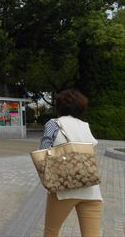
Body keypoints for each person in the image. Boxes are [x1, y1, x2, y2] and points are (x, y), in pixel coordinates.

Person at [40, 90, 102, 237]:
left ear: (59, 107)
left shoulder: (53, 124)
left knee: (51, 231)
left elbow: (43, 152)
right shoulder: (85, 126)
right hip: (91, 190)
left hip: (64, 189)